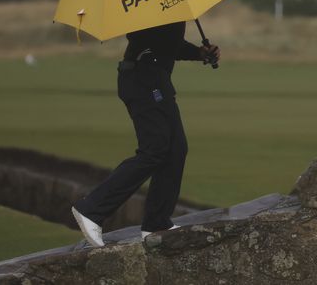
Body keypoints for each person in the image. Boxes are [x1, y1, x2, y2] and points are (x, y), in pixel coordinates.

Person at [71, 21, 219, 246]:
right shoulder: (151, 6)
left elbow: (172, 46)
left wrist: (200, 53)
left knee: (176, 148)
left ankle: (156, 223)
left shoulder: (169, 6)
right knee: (155, 149)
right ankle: (91, 210)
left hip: (157, 80)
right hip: (141, 78)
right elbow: (151, 41)